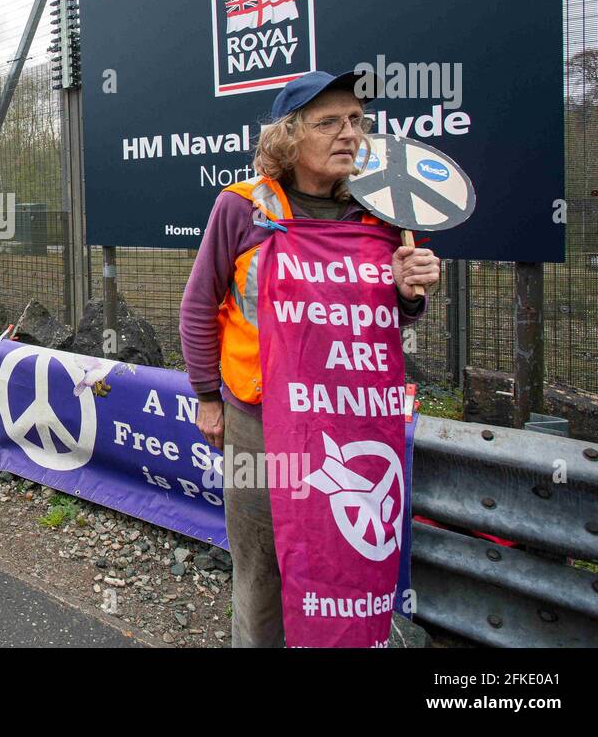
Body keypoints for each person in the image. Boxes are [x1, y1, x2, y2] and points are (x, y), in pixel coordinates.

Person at [178, 70, 441, 648]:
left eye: (357, 121)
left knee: (346, 559)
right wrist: (206, 397)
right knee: (263, 570)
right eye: (329, 122)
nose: (349, 134)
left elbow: (384, 321)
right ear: (289, 138)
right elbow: (198, 306)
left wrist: (407, 292)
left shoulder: (383, 218)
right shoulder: (243, 209)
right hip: (260, 423)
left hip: (353, 421)